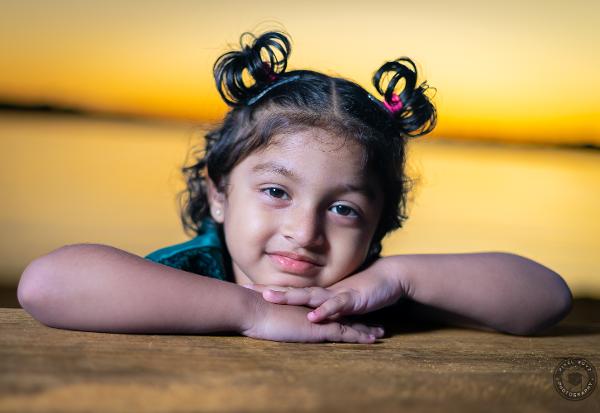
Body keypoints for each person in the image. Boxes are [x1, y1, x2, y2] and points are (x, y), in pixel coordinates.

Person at [17, 30, 572, 344]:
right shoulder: (193, 273)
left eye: (343, 208)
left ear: (380, 223)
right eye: (277, 192)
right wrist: (253, 313)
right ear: (218, 194)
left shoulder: (364, 292)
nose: (305, 232)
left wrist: (400, 276)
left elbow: (547, 300)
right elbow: (46, 283)